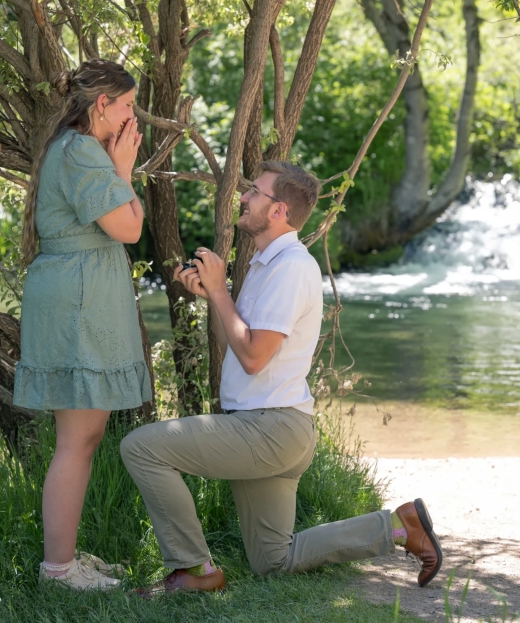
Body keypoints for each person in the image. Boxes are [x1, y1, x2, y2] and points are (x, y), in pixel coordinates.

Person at [119, 161, 442, 596]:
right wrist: (213, 297)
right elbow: (240, 343)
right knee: (274, 560)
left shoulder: (291, 267)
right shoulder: (266, 263)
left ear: (279, 211)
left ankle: (193, 569)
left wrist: (219, 291)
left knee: (141, 447)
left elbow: (253, 358)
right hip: (272, 425)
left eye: (255, 191)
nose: (245, 196)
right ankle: (400, 526)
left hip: (269, 427)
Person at [13, 59, 152, 591]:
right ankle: (59, 571)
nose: (131, 116)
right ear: (103, 106)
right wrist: (123, 170)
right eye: (127, 106)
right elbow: (130, 225)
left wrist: (117, 168)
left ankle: (65, 560)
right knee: (76, 439)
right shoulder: (81, 152)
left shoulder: (82, 151)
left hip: (82, 295)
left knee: (86, 434)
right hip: (74, 300)